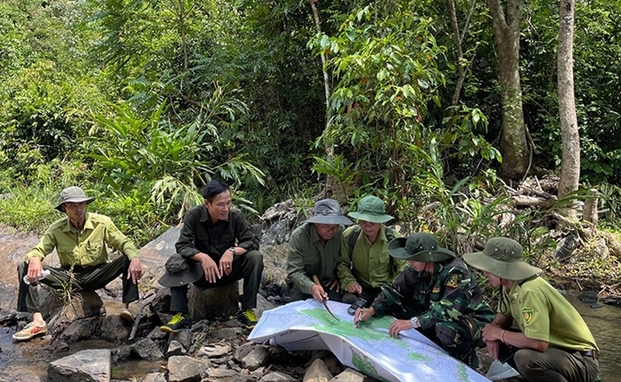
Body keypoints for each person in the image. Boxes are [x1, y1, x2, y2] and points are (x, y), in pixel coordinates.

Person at [14, 186, 143, 341]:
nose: (78, 209)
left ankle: (126, 308)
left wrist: (135, 258)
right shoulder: (56, 229)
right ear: (64, 208)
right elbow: (40, 249)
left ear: (86, 204)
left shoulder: (101, 223)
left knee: (128, 257)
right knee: (25, 266)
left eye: (81, 204)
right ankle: (38, 322)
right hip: (69, 277)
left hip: (97, 274)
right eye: (72, 205)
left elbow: (124, 242)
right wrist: (35, 258)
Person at [463, 237, 600, 382]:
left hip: (581, 360)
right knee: (504, 343)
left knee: (525, 359)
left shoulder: (530, 291)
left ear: (501, 269)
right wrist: (493, 333)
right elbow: (503, 316)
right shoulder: (509, 286)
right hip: (560, 354)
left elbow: (539, 343)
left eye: (488, 269)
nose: (485, 273)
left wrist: (498, 333)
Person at [354, 232, 494, 367]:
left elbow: (448, 311)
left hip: (469, 320)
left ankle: (466, 357)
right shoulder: (415, 269)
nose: (409, 263)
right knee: (394, 307)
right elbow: (394, 291)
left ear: (428, 257)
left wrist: (412, 323)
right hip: (430, 313)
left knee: (445, 329)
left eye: (413, 259)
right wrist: (371, 310)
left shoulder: (455, 271)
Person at [158, 179, 263, 332]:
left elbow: (250, 242)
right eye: (220, 204)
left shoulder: (236, 216)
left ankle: (247, 311)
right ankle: (181, 314)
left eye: (229, 203)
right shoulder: (194, 215)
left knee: (255, 257)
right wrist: (202, 257)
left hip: (227, 271)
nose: (226, 208)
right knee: (177, 261)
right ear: (207, 204)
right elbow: (182, 245)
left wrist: (232, 251)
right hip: (202, 274)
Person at [337, 195, 405, 306]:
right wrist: (349, 281)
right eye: (363, 221)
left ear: (381, 221)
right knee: (347, 303)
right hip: (361, 289)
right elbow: (341, 263)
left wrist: (392, 289)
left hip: (386, 289)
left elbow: (404, 267)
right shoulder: (350, 236)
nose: (367, 224)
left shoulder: (393, 239)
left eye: (372, 221)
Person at [286, 199, 353, 302]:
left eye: (335, 226)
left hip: (330, 283)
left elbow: (343, 263)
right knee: (295, 310)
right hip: (305, 284)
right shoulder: (299, 237)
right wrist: (311, 287)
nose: (332, 231)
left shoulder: (340, 233)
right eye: (326, 226)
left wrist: (340, 279)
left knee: (338, 307)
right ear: (315, 223)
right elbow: (294, 271)